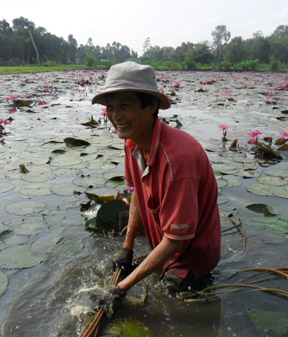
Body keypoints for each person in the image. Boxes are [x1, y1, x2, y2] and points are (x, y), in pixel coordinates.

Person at [92, 61, 221, 293]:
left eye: (124, 106)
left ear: (151, 105)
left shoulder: (178, 160)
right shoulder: (132, 143)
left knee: (174, 298)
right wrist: (127, 247)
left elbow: (176, 241)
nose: (115, 116)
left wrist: (121, 288)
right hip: (166, 243)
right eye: (110, 107)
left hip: (190, 256)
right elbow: (137, 198)